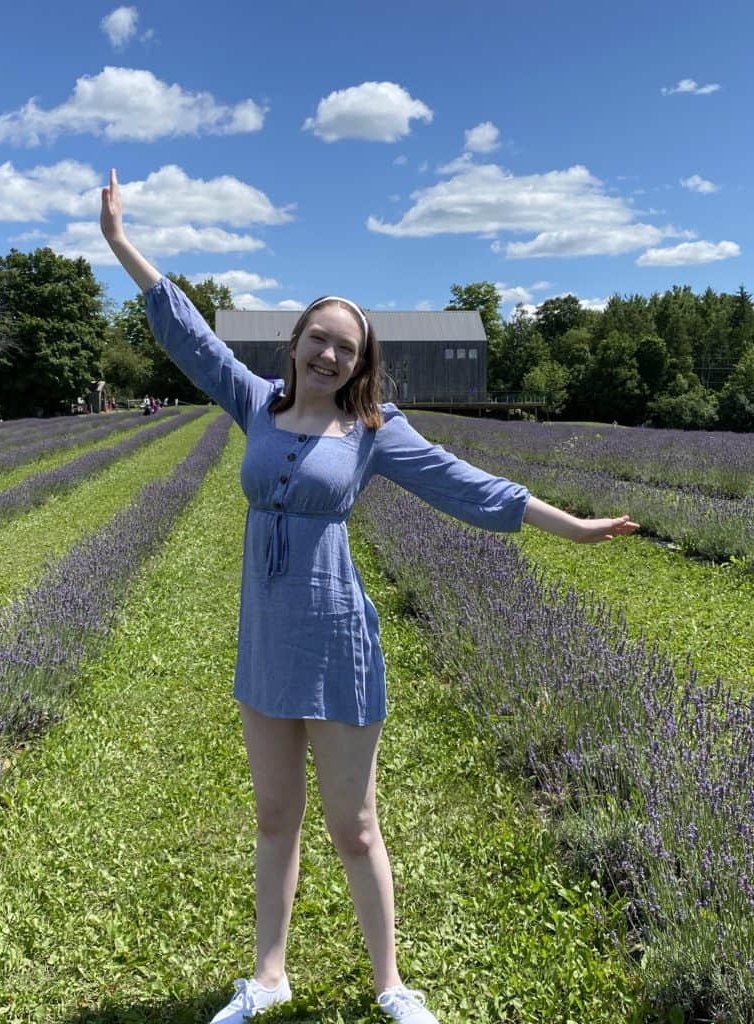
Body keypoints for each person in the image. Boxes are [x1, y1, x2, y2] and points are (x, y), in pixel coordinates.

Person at [101, 169, 638, 1024]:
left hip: (336, 637)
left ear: (361, 361)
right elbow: (194, 341)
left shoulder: (375, 432)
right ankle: (268, 978)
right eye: (318, 339)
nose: (329, 355)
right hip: (267, 639)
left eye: (346, 348)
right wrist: (124, 246)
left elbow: (468, 484)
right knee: (274, 818)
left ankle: (391, 985)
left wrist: (566, 524)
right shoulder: (257, 406)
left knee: (354, 827)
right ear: (296, 344)